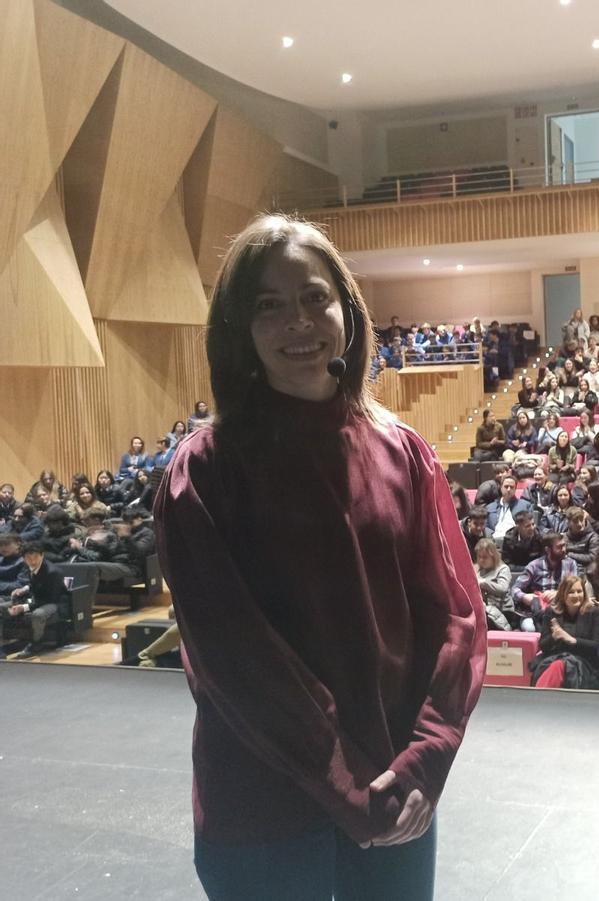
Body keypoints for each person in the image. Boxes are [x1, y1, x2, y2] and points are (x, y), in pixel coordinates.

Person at [154, 214, 485, 898]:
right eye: (268, 306)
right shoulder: (204, 474)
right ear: (238, 329)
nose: (298, 323)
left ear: (346, 310)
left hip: (397, 793)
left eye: (313, 297)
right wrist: (349, 789)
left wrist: (424, 759)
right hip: (264, 808)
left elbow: (456, 617)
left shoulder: (405, 453)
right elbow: (238, 661)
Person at [530, 575, 599, 689]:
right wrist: (554, 637)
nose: (576, 596)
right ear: (563, 594)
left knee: (562, 665)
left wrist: (572, 640)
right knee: (556, 665)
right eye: (571, 592)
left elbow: (596, 644)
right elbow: (543, 645)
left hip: (584, 662)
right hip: (554, 658)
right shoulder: (551, 612)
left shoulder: (593, 612)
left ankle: (540, 697)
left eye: (579, 591)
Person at [0, 540, 69, 658]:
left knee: (38, 614)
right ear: (24, 558)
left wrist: (24, 607)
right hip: (36, 598)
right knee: (2, 607)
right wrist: (24, 589)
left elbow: (49, 598)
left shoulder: (53, 573)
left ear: (42, 555)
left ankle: (36, 643)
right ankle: (3, 642)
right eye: (28, 558)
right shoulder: (29, 567)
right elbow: (36, 584)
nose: (32, 561)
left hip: (54, 602)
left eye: (35, 557)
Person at [511, 532, 578, 632]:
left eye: (564, 546)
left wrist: (558, 593)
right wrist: (525, 597)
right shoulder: (534, 566)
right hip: (536, 612)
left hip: (562, 611)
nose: (564, 550)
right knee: (530, 628)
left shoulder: (571, 564)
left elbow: (575, 588)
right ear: (548, 550)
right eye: (559, 547)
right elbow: (514, 589)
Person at [473, 538, 514, 631]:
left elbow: (503, 589)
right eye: (479, 556)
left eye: (485, 557)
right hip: (483, 609)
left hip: (502, 611)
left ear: (493, 556)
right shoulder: (477, 569)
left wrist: (483, 583)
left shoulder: (503, 569)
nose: (481, 560)